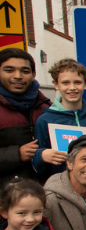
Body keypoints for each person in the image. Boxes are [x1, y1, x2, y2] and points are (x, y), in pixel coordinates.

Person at [32, 59, 86, 179]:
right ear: (56, 84)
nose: (72, 88)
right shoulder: (45, 120)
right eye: (65, 83)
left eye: (77, 82)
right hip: (60, 187)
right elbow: (37, 165)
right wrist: (41, 155)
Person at [0, 48, 51, 185]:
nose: (18, 76)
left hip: (44, 192)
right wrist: (17, 154)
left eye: (25, 71)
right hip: (7, 196)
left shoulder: (47, 107)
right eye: (9, 70)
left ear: (34, 74)